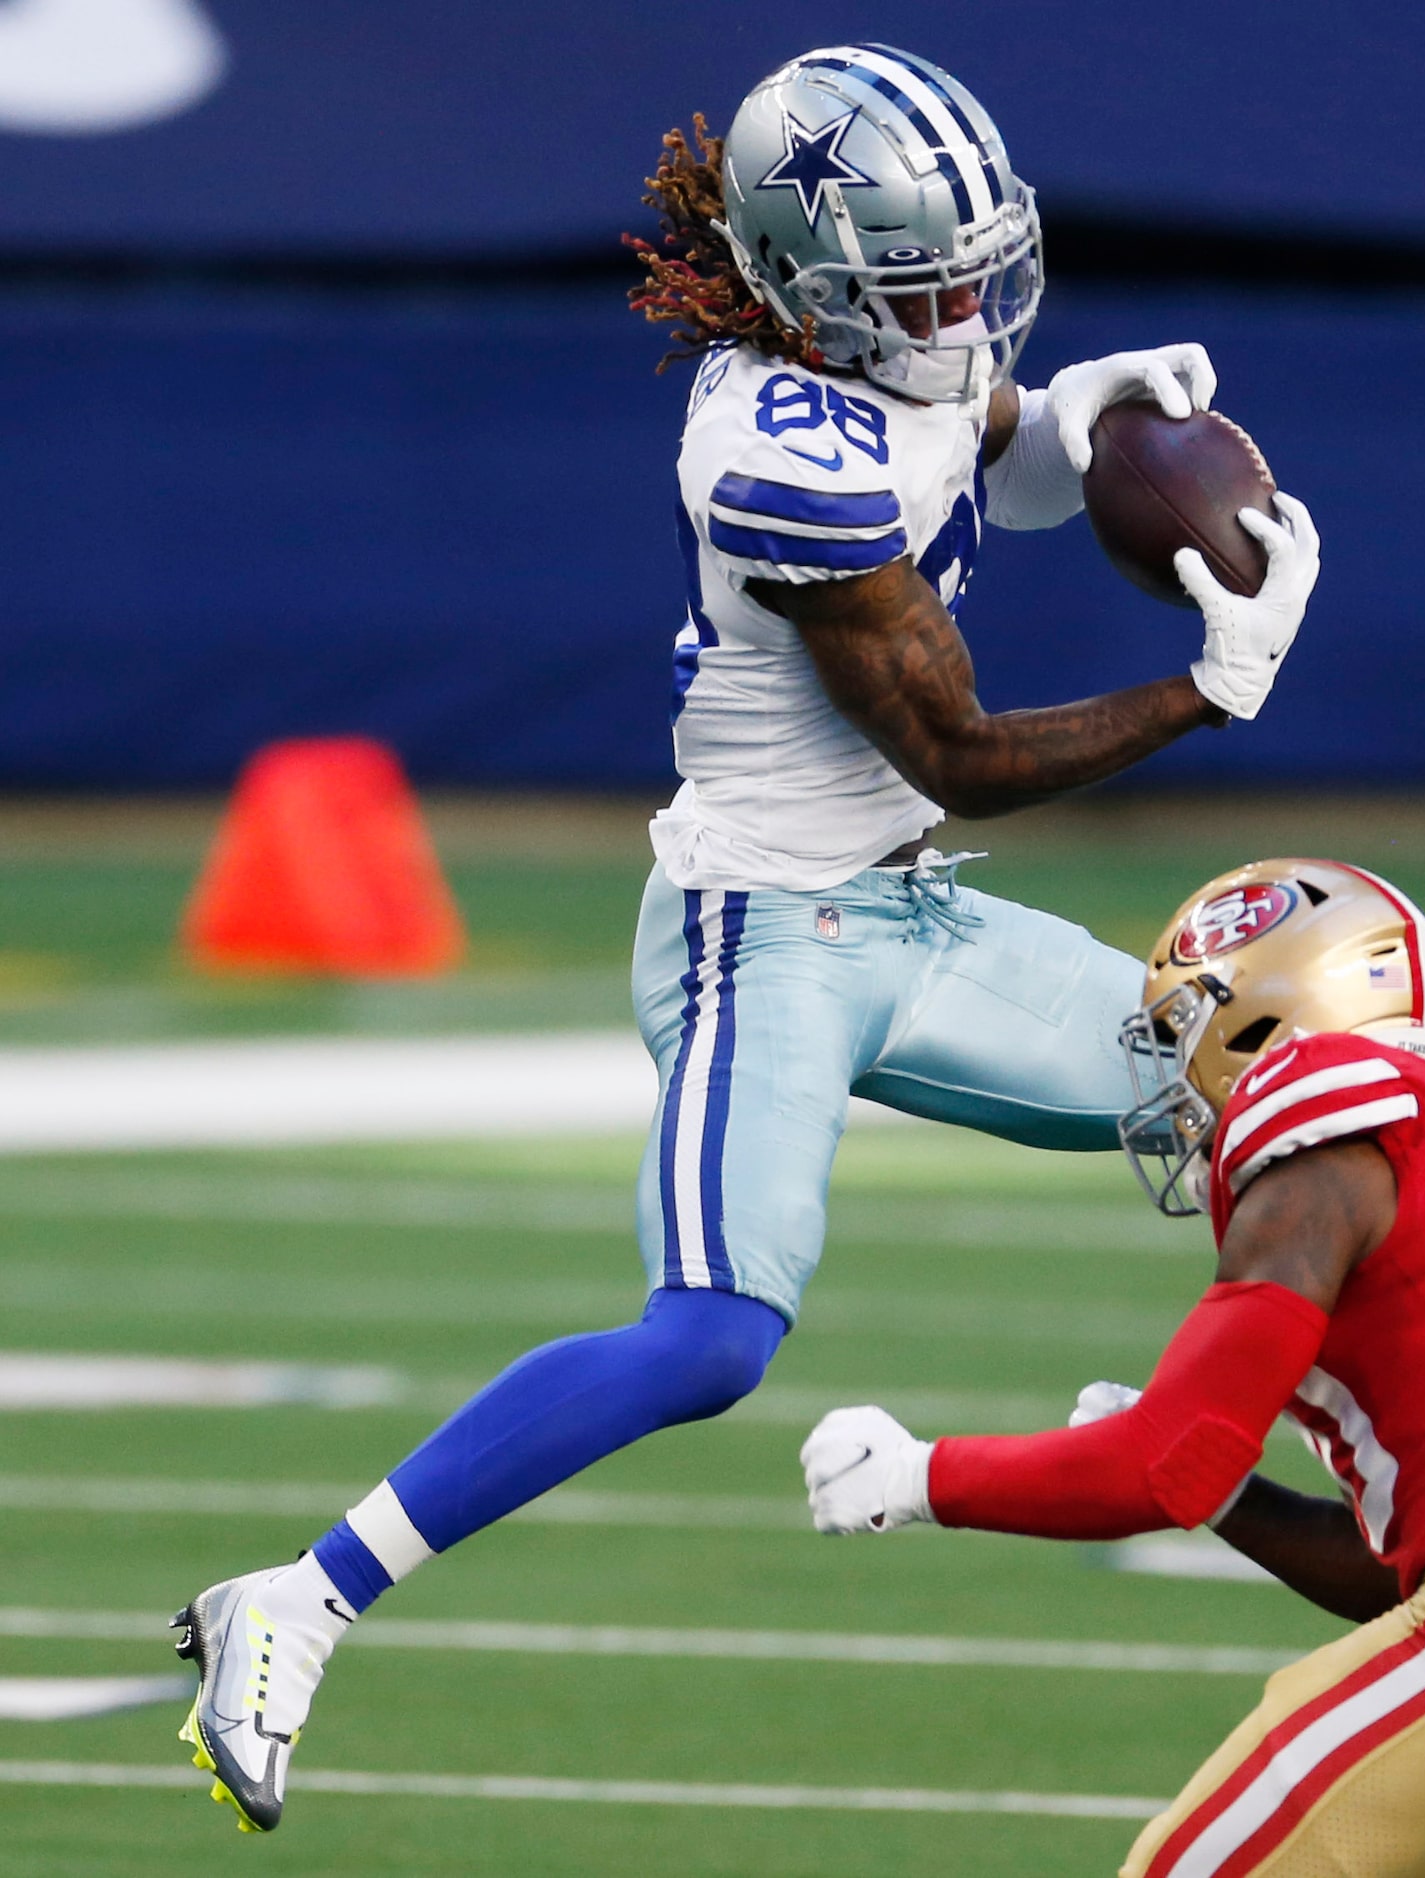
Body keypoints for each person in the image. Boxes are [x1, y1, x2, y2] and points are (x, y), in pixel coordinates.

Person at [171, 43, 1321, 1835]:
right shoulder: (770, 452)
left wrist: (1075, 418)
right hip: (761, 933)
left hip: (906, 911)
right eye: (919, 287)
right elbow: (953, 751)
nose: (961, 317)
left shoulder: (880, 355)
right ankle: (301, 1597)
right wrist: (1205, 689)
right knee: (711, 1335)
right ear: (808, 285)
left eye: (973, 272)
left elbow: (984, 456)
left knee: (1282, 1079)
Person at [803, 857, 1425, 1878]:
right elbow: (1403, 1572)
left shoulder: (1317, 1093)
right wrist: (1237, 1503)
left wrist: (915, 1475)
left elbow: (1167, 1463)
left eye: (1179, 1031)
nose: (1172, 1075)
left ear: (1259, 1012)